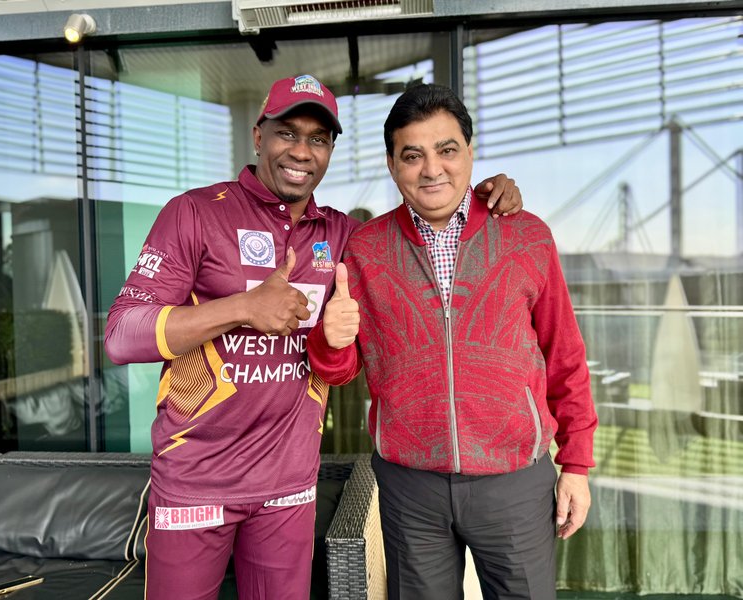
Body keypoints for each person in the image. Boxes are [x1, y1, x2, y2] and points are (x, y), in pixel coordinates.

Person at [104, 75, 523, 600]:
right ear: (258, 135)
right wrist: (241, 309)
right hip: (195, 481)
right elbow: (122, 335)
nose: (301, 151)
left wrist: (490, 196)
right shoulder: (194, 213)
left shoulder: (342, 234)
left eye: (319, 139)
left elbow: (420, 219)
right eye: (287, 133)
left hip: (288, 485)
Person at [307, 83, 598, 600]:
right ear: (393, 164)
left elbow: (564, 356)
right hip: (409, 486)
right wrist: (329, 343)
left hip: (514, 480)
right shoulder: (365, 249)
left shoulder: (526, 235)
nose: (432, 169)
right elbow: (341, 369)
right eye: (412, 155)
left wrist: (575, 464)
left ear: (469, 150)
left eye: (447, 150)